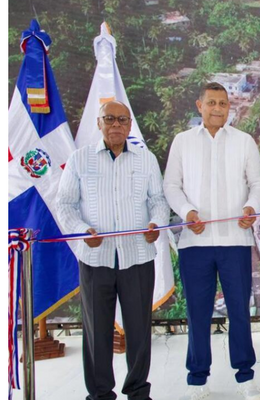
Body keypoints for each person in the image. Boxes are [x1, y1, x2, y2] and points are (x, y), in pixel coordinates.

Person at [56, 101, 169, 400]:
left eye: (122, 119)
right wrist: (82, 231)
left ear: (130, 125)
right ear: (99, 123)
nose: (116, 125)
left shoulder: (146, 159)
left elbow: (158, 201)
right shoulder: (80, 159)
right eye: (109, 119)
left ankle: (138, 391)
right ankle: (100, 394)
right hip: (96, 260)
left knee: (139, 330)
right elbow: (64, 204)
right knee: (97, 332)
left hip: (138, 257)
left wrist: (156, 223)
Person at [163, 82, 260, 400]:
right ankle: (197, 379)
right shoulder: (182, 142)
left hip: (235, 241)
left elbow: (258, 183)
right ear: (200, 105)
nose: (218, 108)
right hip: (195, 245)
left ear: (229, 107)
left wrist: (252, 207)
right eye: (212, 103)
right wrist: (187, 212)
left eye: (223, 103)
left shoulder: (243, 141)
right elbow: (171, 185)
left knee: (239, 312)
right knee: (198, 313)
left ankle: (245, 377)